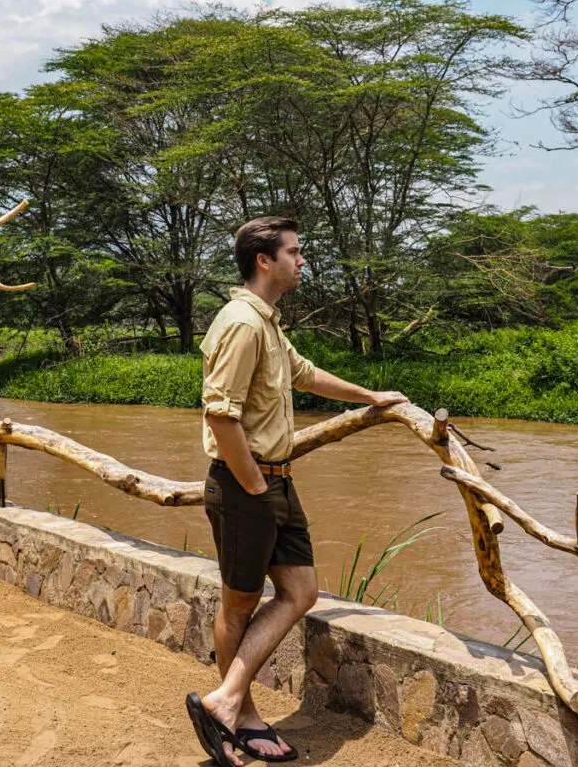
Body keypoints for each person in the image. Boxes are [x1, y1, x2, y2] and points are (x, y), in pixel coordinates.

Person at [185, 217, 409, 767]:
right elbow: (220, 415)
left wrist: (372, 396)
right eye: (295, 251)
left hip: (276, 481)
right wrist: (257, 485)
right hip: (247, 484)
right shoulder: (240, 322)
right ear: (266, 260)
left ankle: (225, 702)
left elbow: (304, 374)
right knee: (238, 604)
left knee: (301, 591)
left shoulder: (267, 323)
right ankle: (242, 713)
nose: (302, 260)